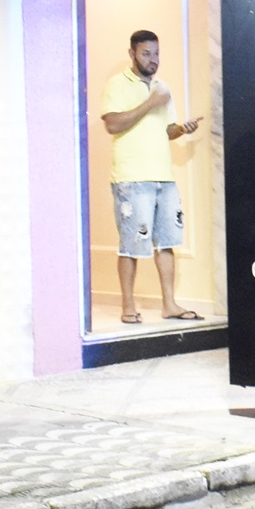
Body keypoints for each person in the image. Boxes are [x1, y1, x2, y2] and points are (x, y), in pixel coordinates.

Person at [98, 31, 203, 324]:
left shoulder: (162, 88)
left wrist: (182, 129)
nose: (153, 59)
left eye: (156, 53)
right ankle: (128, 306)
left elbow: (167, 130)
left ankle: (169, 304)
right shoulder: (117, 84)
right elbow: (112, 124)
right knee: (130, 245)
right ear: (132, 53)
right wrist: (150, 103)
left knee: (167, 243)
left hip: (164, 178)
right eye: (146, 53)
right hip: (131, 178)